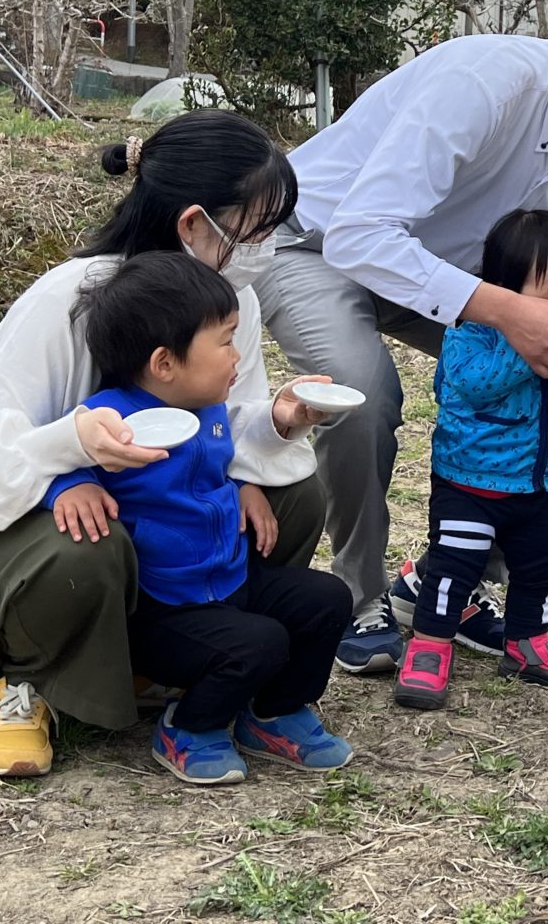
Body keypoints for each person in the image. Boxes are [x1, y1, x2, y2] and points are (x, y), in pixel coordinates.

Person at [256, 7, 548, 674]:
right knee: (361, 392)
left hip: (442, 272)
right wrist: (507, 311)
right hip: (315, 244)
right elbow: (362, 235)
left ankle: (444, 580)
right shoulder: (483, 85)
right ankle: (356, 596)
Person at [0, 111, 341, 780]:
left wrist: (274, 429)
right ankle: (24, 677)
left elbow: (226, 422)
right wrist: (69, 452)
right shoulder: (67, 303)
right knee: (86, 538)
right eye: (257, 228)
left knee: (291, 491)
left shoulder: (233, 298)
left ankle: (180, 659)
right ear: (195, 225)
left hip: (157, 533)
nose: (267, 246)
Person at [43, 253, 353, 784]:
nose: (238, 356)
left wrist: (244, 486)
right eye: (226, 341)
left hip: (228, 579)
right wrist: (70, 486)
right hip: (163, 609)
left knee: (328, 600)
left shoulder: (209, 408)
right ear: (165, 363)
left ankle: (272, 714)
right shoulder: (111, 417)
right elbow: (58, 459)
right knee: (259, 643)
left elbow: (209, 469)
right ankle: (188, 727)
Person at [393, 210, 548, 710]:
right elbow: (472, 386)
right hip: (469, 485)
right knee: (454, 568)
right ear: (502, 295)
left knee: (542, 565)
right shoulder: (469, 335)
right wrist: (522, 343)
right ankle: (430, 647)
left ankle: (526, 645)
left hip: (535, 487)